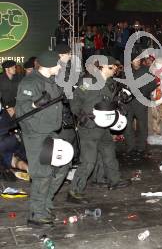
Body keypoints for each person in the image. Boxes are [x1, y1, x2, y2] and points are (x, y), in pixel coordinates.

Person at [15, 51, 70, 226]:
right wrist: (34, 103)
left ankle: (45, 202)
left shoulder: (51, 81)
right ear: (48, 65)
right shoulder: (30, 81)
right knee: (42, 173)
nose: (60, 66)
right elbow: (20, 109)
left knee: (63, 164)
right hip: (36, 133)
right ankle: (36, 214)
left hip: (50, 131)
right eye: (58, 64)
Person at [68, 56, 131, 204]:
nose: (114, 69)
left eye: (115, 67)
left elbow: (112, 102)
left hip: (104, 126)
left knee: (109, 154)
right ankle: (74, 191)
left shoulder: (112, 84)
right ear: (101, 67)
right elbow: (74, 100)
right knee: (88, 161)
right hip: (89, 127)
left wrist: (121, 105)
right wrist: (80, 115)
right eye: (111, 67)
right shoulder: (86, 82)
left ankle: (114, 180)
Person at [125, 53, 157, 157]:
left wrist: (143, 92)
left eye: (138, 59)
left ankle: (141, 148)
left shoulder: (146, 70)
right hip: (128, 102)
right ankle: (130, 147)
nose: (137, 61)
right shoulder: (126, 71)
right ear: (131, 62)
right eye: (135, 60)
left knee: (142, 125)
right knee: (127, 125)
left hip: (141, 101)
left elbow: (153, 84)